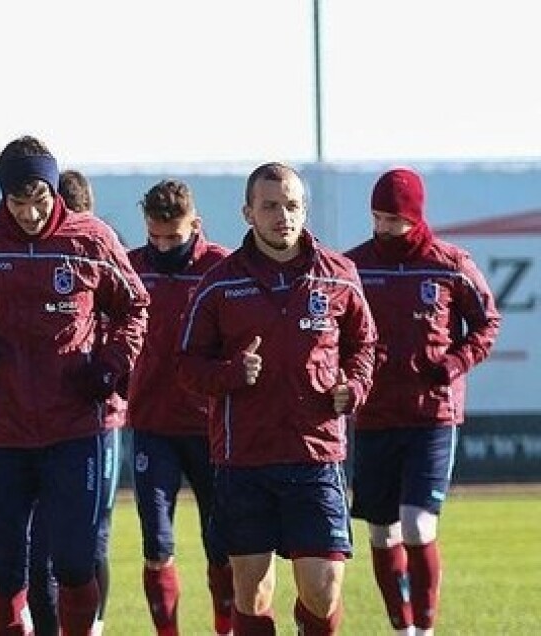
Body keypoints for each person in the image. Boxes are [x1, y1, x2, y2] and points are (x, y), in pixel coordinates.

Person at [0, 135, 150, 635]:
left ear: (54, 189)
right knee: (4, 571)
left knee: (74, 562)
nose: (30, 213)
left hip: (75, 431)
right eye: (18, 202)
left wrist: (111, 363)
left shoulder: (91, 240)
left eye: (39, 199)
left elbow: (135, 307)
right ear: (2, 195)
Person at [176, 162, 377, 635]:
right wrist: (230, 374)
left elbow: (364, 345)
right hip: (245, 460)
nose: (282, 216)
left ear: (304, 209)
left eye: (291, 205)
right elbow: (187, 365)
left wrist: (355, 386)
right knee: (252, 591)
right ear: (248, 213)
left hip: (316, 454)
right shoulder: (219, 283)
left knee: (323, 589)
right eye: (270, 206)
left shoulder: (340, 276)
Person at [345, 168, 500, 636]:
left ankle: (426, 630)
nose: (383, 227)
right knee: (381, 532)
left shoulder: (450, 265)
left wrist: (454, 362)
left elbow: (487, 323)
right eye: (377, 218)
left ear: (415, 217)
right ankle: (402, 629)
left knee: (416, 524)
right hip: (374, 416)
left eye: (393, 219)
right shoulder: (354, 267)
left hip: (431, 415)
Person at [126, 179, 234, 636]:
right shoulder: (131, 268)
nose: (164, 247)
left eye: (174, 237)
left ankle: (225, 628)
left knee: (222, 545)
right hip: (152, 426)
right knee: (156, 543)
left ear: (196, 224)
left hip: (211, 429)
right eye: (155, 237)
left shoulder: (222, 269)